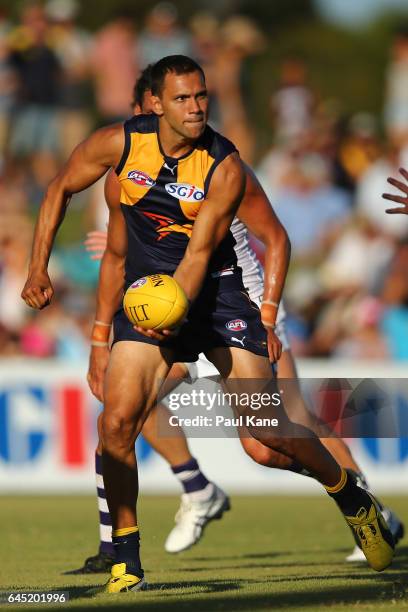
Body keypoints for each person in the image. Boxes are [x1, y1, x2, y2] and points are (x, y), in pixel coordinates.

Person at [22, 55, 394, 594]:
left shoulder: (223, 166)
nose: (196, 107)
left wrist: (244, 312)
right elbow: (59, 190)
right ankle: (127, 560)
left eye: (201, 97)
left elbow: (199, 255)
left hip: (219, 301)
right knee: (116, 425)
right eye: (182, 98)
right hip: (152, 300)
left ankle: (350, 494)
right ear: (155, 104)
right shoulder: (118, 146)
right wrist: (40, 269)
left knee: (268, 435)